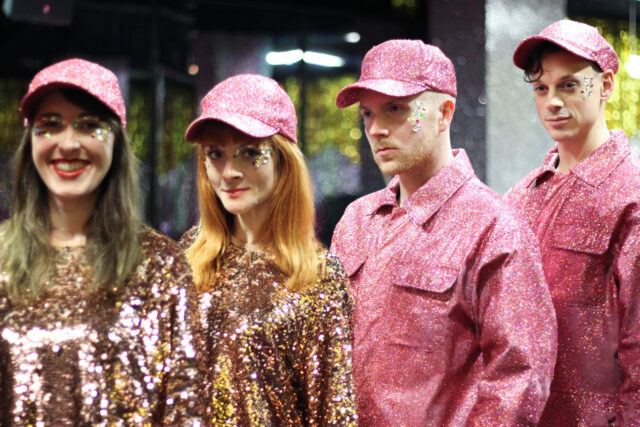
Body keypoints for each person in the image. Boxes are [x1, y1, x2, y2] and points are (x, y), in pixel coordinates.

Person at [330, 39, 557, 426]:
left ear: (444, 113)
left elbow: (519, 377)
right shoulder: (356, 220)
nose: (377, 129)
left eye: (396, 109)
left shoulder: (493, 227)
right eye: (367, 114)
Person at [0, 58, 203, 424]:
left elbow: (184, 408)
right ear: (31, 139)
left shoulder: (159, 263)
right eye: (50, 125)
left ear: (116, 141)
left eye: (89, 125)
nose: (68, 143)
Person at [181, 73, 357, 426]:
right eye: (215, 154)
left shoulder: (317, 277)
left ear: (283, 160)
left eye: (249, 153)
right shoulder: (188, 257)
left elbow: (332, 413)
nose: (229, 172)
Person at [507, 19, 640, 425]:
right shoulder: (520, 195)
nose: (552, 102)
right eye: (541, 88)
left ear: (605, 85)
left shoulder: (630, 195)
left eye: (568, 85)